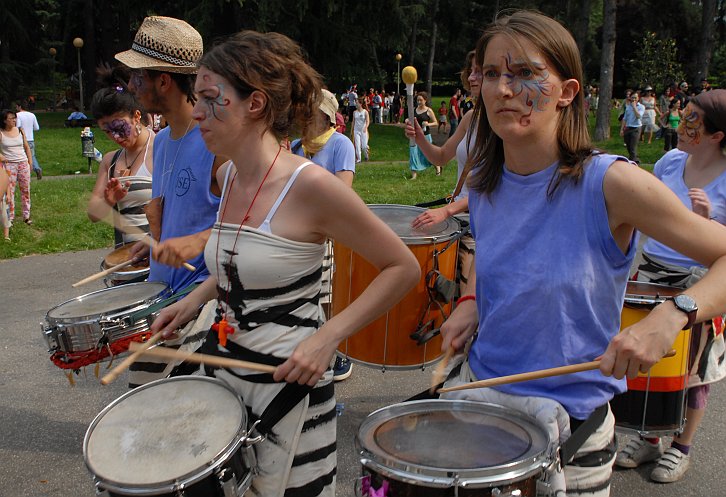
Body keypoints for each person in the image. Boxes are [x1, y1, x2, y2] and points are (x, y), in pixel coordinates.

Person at [438, 11, 726, 497]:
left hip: (573, 427)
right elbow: (494, 260)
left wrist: (672, 315)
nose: (503, 89)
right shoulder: (485, 181)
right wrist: (471, 301)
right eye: (491, 73)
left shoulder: (611, 183)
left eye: (525, 73)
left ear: (568, 91)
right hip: (483, 401)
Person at [149, 30, 420, 497]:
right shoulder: (230, 172)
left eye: (211, 99)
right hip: (228, 368)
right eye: (197, 98)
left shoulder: (312, 188)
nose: (196, 113)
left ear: (255, 104)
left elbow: (402, 268)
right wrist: (193, 301)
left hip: (287, 382)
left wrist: (327, 339)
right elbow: (240, 263)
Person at [614, 90, 726, 483]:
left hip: (700, 284)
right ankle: (651, 439)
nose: (680, 124)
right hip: (652, 273)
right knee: (649, 363)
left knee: (695, 372)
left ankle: (682, 448)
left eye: (693, 120)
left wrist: (706, 221)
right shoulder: (669, 161)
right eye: (684, 114)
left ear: (717, 136)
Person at [114, 16, 226, 387]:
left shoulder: (217, 143)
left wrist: (195, 243)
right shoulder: (160, 142)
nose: (131, 85)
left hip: (202, 304)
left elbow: (251, 225)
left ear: (163, 80)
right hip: (161, 297)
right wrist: (156, 245)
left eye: (137, 76)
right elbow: (179, 215)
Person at [290, 88, 356, 381]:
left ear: (326, 116)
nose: (303, 116)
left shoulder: (341, 144)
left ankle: (336, 351)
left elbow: (343, 192)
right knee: (302, 292)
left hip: (326, 232)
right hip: (295, 234)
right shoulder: (293, 146)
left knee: (327, 295)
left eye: (309, 110)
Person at [407, 51, 482, 293]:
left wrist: (447, 210)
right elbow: (440, 156)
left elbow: (499, 188)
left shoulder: (504, 126)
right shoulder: (471, 117)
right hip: (459, 216)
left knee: (462, 300)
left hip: (479, 225)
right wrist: (420, 137)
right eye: (470, 70)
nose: (472, 77)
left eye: (480, 71)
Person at [86, 65, 154, 249]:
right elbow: (93, 214)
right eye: (107, 131)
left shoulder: (161, 148)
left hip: (161, 256)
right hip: (127, 258)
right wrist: (109, 200)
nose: (115, 136)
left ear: (136, 116)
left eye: (119, 127)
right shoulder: (111, 160)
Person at [0, 110, 33, 226]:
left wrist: (30, 162)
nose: (14, 120)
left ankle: (26, 216)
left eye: (15, 118)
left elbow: (27, 147)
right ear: (4, 120)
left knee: (25, 190)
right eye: (11, 118)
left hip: (23, 163)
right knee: (10, 192)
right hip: (9, 165)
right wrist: (1, 157)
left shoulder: (20, 131)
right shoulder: (1, 133)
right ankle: (11, 217)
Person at [408, 91, 439, 180]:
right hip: (415, 136)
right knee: (413, 153)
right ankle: (414, 175)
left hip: (425, 136)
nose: (419, 102)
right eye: (418, 100)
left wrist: (428, 124)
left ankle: (437, 167)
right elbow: (410, 119)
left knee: (428, 154)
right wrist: (407, 121)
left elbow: (436, 123)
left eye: (421, 100)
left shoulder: (429, 111)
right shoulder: (414, 110)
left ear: (425, 100)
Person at [15, 102, 42, 179]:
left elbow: (18, 126)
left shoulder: (18, 115)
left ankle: (19, 173)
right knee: (32, 155)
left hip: (21, 139)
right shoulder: (32, 115)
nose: (16, 108)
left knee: (20, 156)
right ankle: (37, 168)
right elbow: (36, 128)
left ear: (20, 107)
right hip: (31, 139)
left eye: (16, 106)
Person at [620, 90, 645, 163]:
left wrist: (634, 107)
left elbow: (638, 116)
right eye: (632, 98)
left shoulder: (641, 107)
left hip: (636, 128)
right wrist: (622, 129)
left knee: (633, 147)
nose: (633, 99)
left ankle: (633, 162)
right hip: (628, 128)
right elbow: (625, 118)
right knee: (628, 146)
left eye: (635, 98)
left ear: (638, 98)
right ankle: (635, 160)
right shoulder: (628, 107)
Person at [352, 98, 370, 163]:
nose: (356, 104)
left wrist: (366, 127)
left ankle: (366, 156)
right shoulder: (354, 112)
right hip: (356, 130)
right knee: (357, 145)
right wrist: (352, 130)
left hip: (363, 131)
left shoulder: (365, 112)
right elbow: (353, 122)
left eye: (357, 103)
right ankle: (359, 159)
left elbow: (368, 121)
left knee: (364, 146)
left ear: (360, 104)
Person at [1, 168, 10, 240]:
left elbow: (7, 182)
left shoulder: (2, 170)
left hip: (3, 199)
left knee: (5, 217)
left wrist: (8, 195)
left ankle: (6, 236)